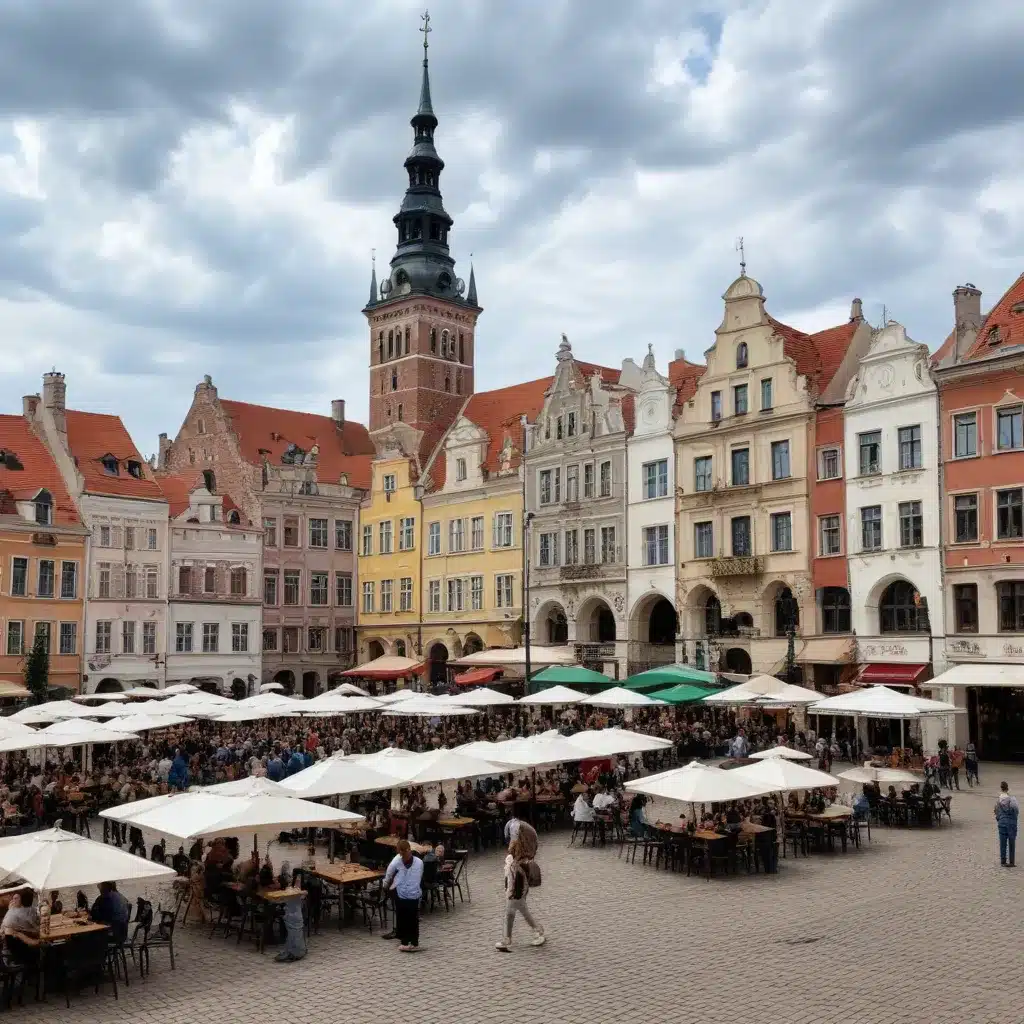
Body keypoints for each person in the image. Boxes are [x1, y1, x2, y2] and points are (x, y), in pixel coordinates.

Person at [495, 836, 545, 952]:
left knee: (509, 914)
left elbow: (516, 882)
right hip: (517, 894)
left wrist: (512, 893)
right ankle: (538, 930)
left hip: (515, 894)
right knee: (521, 913)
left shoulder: (517, 865)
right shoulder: (517, 863)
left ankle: (507, 939)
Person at [382, 839, 423, 952]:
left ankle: (414, 942)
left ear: (409, 850)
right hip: (401, 894)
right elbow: (388, 875)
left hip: (414, 894)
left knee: (413, 919)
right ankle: (405, 941)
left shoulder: (419, 862)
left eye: (405, 853)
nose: (404, 856)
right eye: (402, 854)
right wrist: (386, 886)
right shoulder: (396, 862)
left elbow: (418, 877)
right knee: (403, 918)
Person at [994, 781, 1019, 867]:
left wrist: (1000, 819)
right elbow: (1016, 810)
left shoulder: (998, 800)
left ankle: (1003, 861)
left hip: (1002, 823)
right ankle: (1011, 862)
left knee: (1002, 842)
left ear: (1001, 788)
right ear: (1008, 788)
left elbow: (996, 812)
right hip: (1011, 823)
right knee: (1012, 842)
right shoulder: (1012, 799)